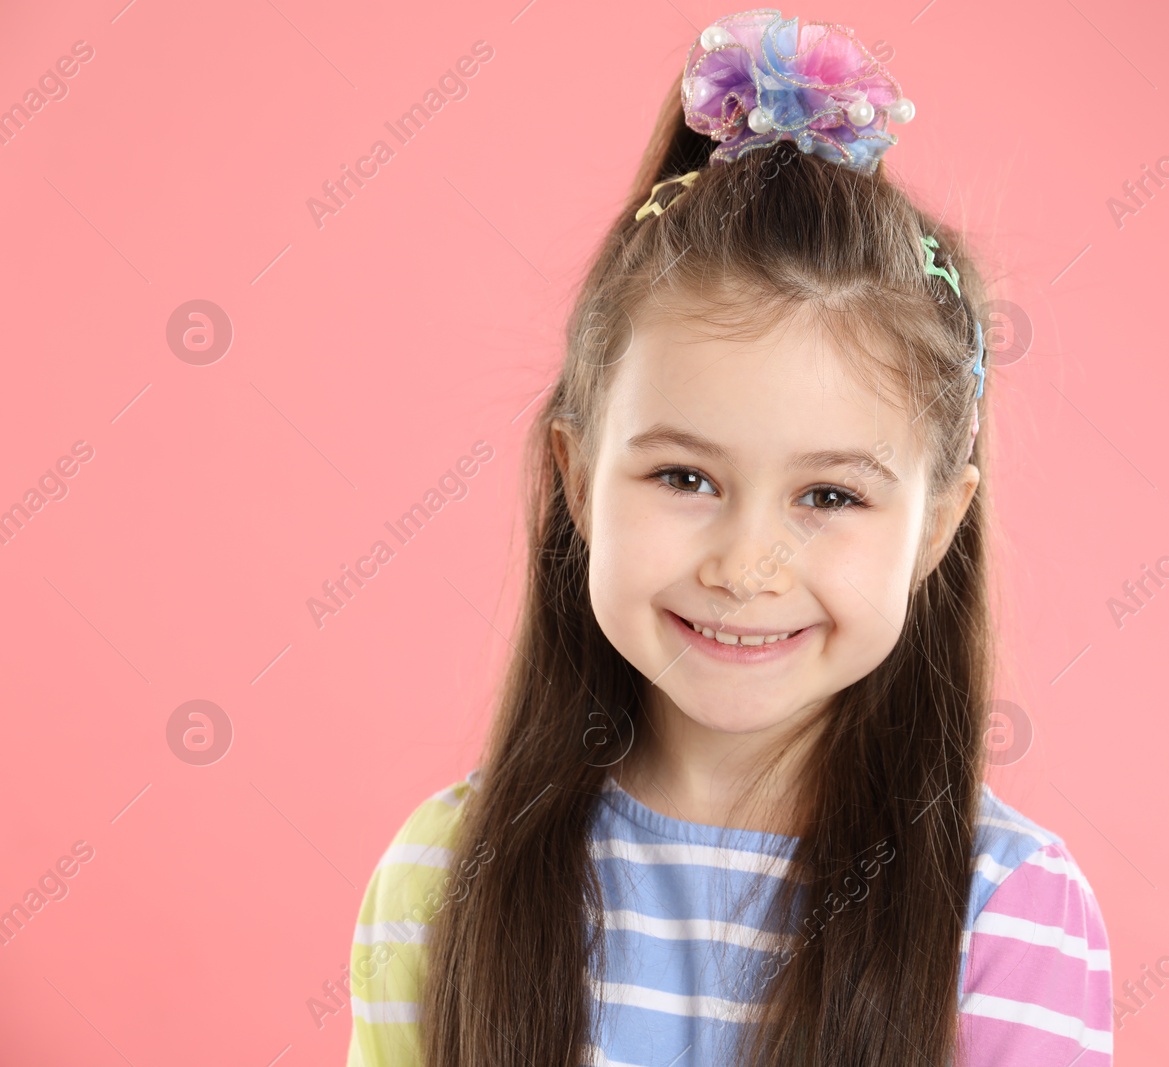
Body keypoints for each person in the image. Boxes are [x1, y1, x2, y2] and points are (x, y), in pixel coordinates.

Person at [345, 10, 1112, 1065]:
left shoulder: (1006, 912)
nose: (744, 563)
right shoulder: (443, 876)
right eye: (684, 476)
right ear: (577, 480)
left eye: (830, 497)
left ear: (935, 526)